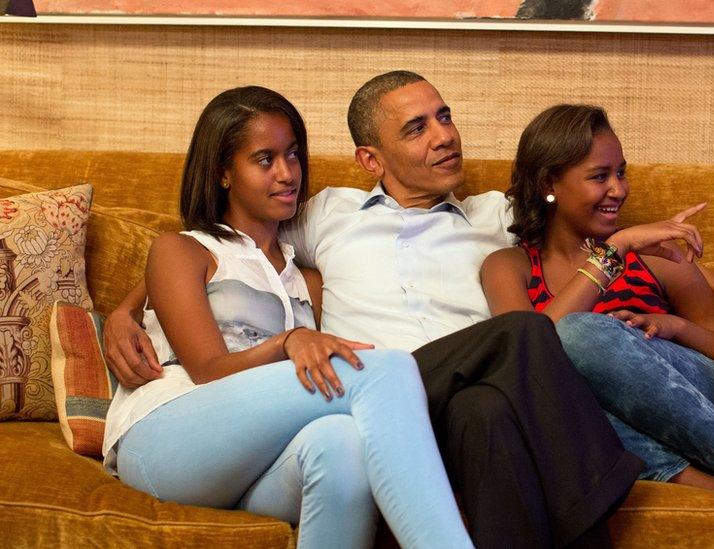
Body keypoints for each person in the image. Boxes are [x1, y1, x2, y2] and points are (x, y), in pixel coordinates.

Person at [103, 73, 645, 548]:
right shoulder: (325, 215)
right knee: (489, 342)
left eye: (445, 117)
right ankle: (605, 481)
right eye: (416, 128)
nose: (443, 136)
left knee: (462, 418)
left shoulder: (487, 218)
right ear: (371, 158)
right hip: (295, 404)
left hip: (423, 411)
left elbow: (579, 209)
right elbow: (201, 257)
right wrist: (124, 312)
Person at [102, 86, 474, 549]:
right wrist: (288, 340)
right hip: (167, 439)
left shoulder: (308, 281)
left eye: (293, 155)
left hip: (257, 458)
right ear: (223, 173)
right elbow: (208, 372)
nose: (287, 173)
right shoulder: (183, 250)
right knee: (388, 368)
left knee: (342, 445)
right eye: (265, 160)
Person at [480, 104, 714, 546]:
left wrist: (673, 328)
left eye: (621, 173)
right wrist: (613, 252)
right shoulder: (508, 266)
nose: (618, 190)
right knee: (548, 390)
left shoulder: (654, 256)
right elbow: (529, 356)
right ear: (549, 183)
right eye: (599, 176)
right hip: (610, 429)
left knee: (580, 334)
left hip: (712, 411)